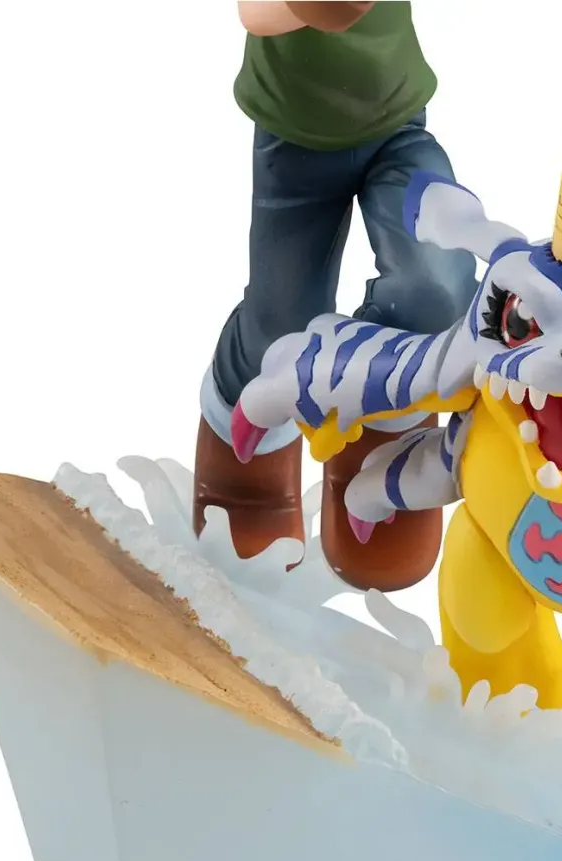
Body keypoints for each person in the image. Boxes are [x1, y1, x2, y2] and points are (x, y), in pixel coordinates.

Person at [195, 0, 477, 591]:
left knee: (435, 281)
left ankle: (379, 414)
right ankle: (245, 457)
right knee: (283, 320)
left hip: (397, 124)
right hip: (294, 137)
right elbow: (258, 14)